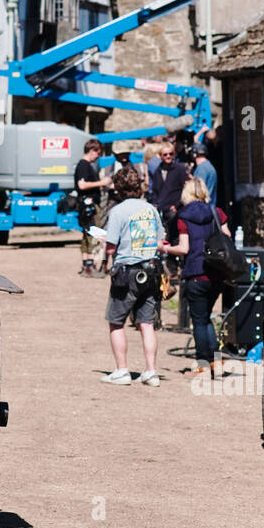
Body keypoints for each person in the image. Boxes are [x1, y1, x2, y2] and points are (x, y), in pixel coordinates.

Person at [101, 163, 164, 387]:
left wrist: (105, 242)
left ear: (118, 188)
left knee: (116, 322)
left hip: (127, 271)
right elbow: (160, 241)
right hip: (151, 269)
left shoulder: (118, 211)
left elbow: (110, 248)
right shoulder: (151, 209)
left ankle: (122, 370)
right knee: (146, 323)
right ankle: (151, 371)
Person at [158, 177, 230, 374]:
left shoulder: (183, 216)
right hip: (216, 273)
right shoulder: (217, 212)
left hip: (195, 274)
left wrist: (165, 249)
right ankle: (216, 359)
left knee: (199, 320)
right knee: (206, 317)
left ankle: (203, 362)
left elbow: (184, 248)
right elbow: (228, 237)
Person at [147, 140, 189, 273]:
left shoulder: (180, 169)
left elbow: (186, 188)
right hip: (162, 210)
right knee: (164, 238)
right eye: (165, 154)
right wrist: (155, 203)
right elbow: (155, 190)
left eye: (171, 154)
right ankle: (170, 269)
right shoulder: (158, 170)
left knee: (176, 238)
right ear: (160, 155)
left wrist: (177, 205)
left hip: (175, 210)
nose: (168, 156)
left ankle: (178, 267)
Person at [74, 138, 112, 277]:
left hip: (85, 204)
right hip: (88, 205)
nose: (98, 156)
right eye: (97, 153)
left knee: (87, 234)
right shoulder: (84, 165)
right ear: (92, 151)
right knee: (94, 233)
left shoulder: (84, 165)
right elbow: (82, 185)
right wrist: (102, 182)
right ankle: (90, 266)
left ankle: (87, 265)